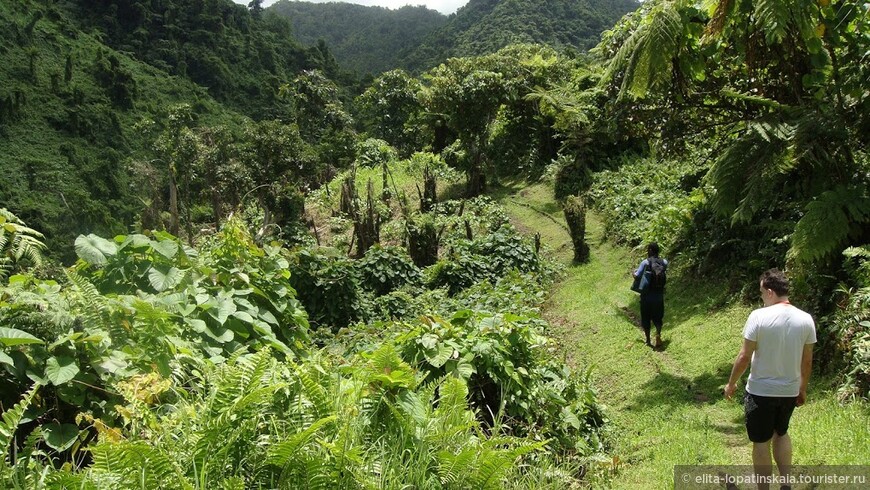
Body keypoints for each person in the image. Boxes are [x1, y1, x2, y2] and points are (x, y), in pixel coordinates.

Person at [724, 269, 816, 490]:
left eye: (762, 293)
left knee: (761, 441)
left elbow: (744, 356)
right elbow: (807, 361)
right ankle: (785, 484)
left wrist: (731, 383)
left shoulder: (758, 316)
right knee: (781, 432)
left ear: (770, 292)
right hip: (789, 391)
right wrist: (802, 388)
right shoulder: (806, 319)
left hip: (760, 391)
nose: (761, 297)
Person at [633, 242, 667, 348]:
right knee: (658, 317)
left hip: (646, 297)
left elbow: (637, 276)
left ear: (651, 250)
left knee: (646, 318)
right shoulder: (664, 262)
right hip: (659, 296)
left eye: (648, 250)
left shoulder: (645, 262)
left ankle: (648, 340)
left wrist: (633, 273)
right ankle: (658, 335)